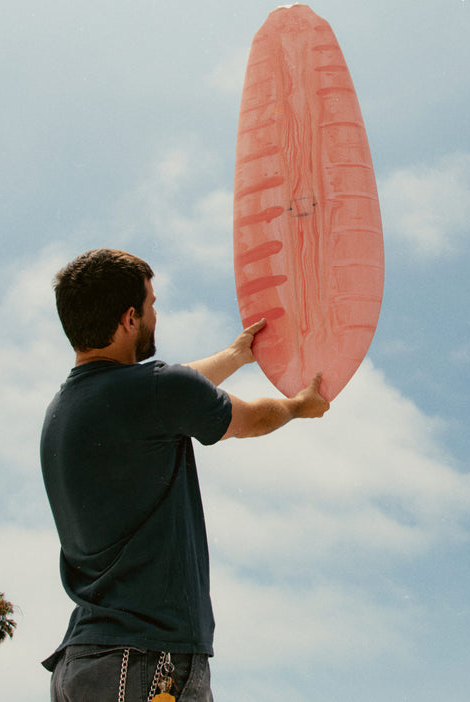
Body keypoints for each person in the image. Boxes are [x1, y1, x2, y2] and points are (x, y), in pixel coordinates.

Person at [40, 248, 329, 702]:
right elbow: (248, 418)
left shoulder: (67, 409)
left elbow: (167, 387)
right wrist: (298, 406)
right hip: (147, 663)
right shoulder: (153, 392)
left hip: (83, 663)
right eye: (152, 304)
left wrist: (235, 356)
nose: (157, 314)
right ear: (129, 318)